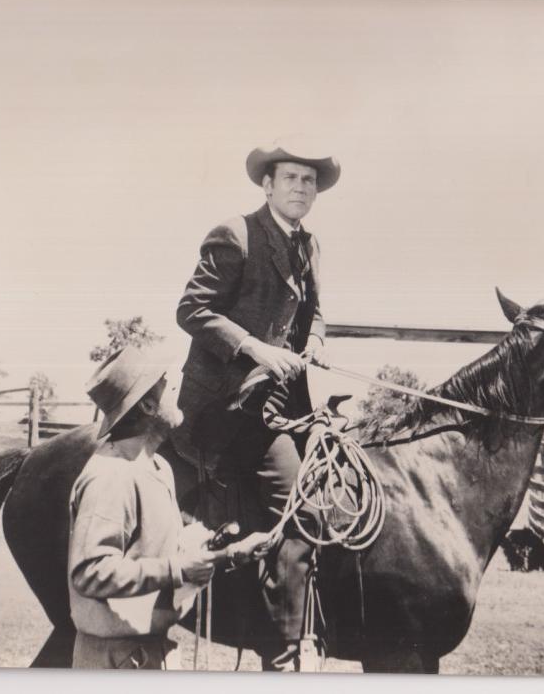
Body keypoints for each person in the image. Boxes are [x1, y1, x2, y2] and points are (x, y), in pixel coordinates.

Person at [176, 141, 341, 671]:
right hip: (227, 407)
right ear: (267, 185)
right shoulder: (236, 234)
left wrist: (315, 340)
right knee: (301, 508)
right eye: (290, 177)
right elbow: (192, 310)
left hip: (284, 404)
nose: (300, 187)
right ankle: (284, 653)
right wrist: (255, 348)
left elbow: (315, 313)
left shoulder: (309, 245)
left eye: (308, 181)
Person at [68, 345, 268, 669]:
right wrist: (179, 569)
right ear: (148, 404)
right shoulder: (112, 474)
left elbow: (158, 553)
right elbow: (91, 573)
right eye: (166, 381)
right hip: (115, 662)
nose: (177, 386)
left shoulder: (158, 467)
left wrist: (227, 555)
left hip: (150, 653)